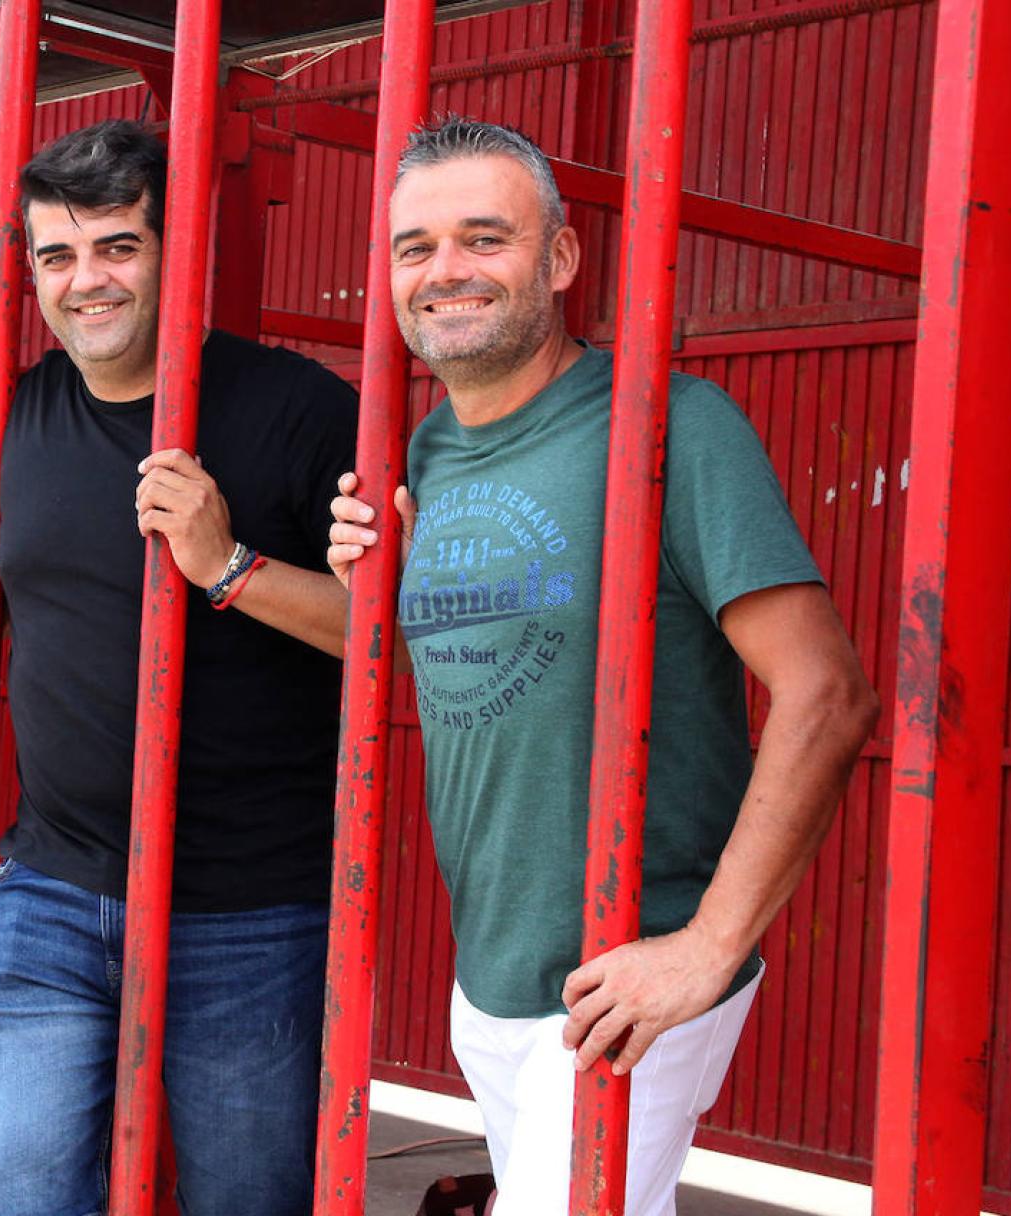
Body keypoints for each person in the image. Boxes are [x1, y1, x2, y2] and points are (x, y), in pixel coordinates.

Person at [325, 118, 880, 1214]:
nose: (446, 271)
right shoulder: (421, 455)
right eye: (415, 246)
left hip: (632, 970)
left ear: (562, 260)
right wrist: (368, 594)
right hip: (489, 976)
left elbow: (830, 690)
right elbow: (489, 669)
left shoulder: (666, 425)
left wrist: (706, 948)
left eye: (486, 237)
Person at [0, 119, 358, 1215]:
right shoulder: (23, 412)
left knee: (250, 1198)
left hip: (251, 909)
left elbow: (393, 637)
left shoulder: (298, 410)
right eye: (58, 255)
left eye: (117, 246)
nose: (86, 280)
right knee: (16, 1185)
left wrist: (228, 566)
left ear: (172, 250)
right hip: (51, 890)